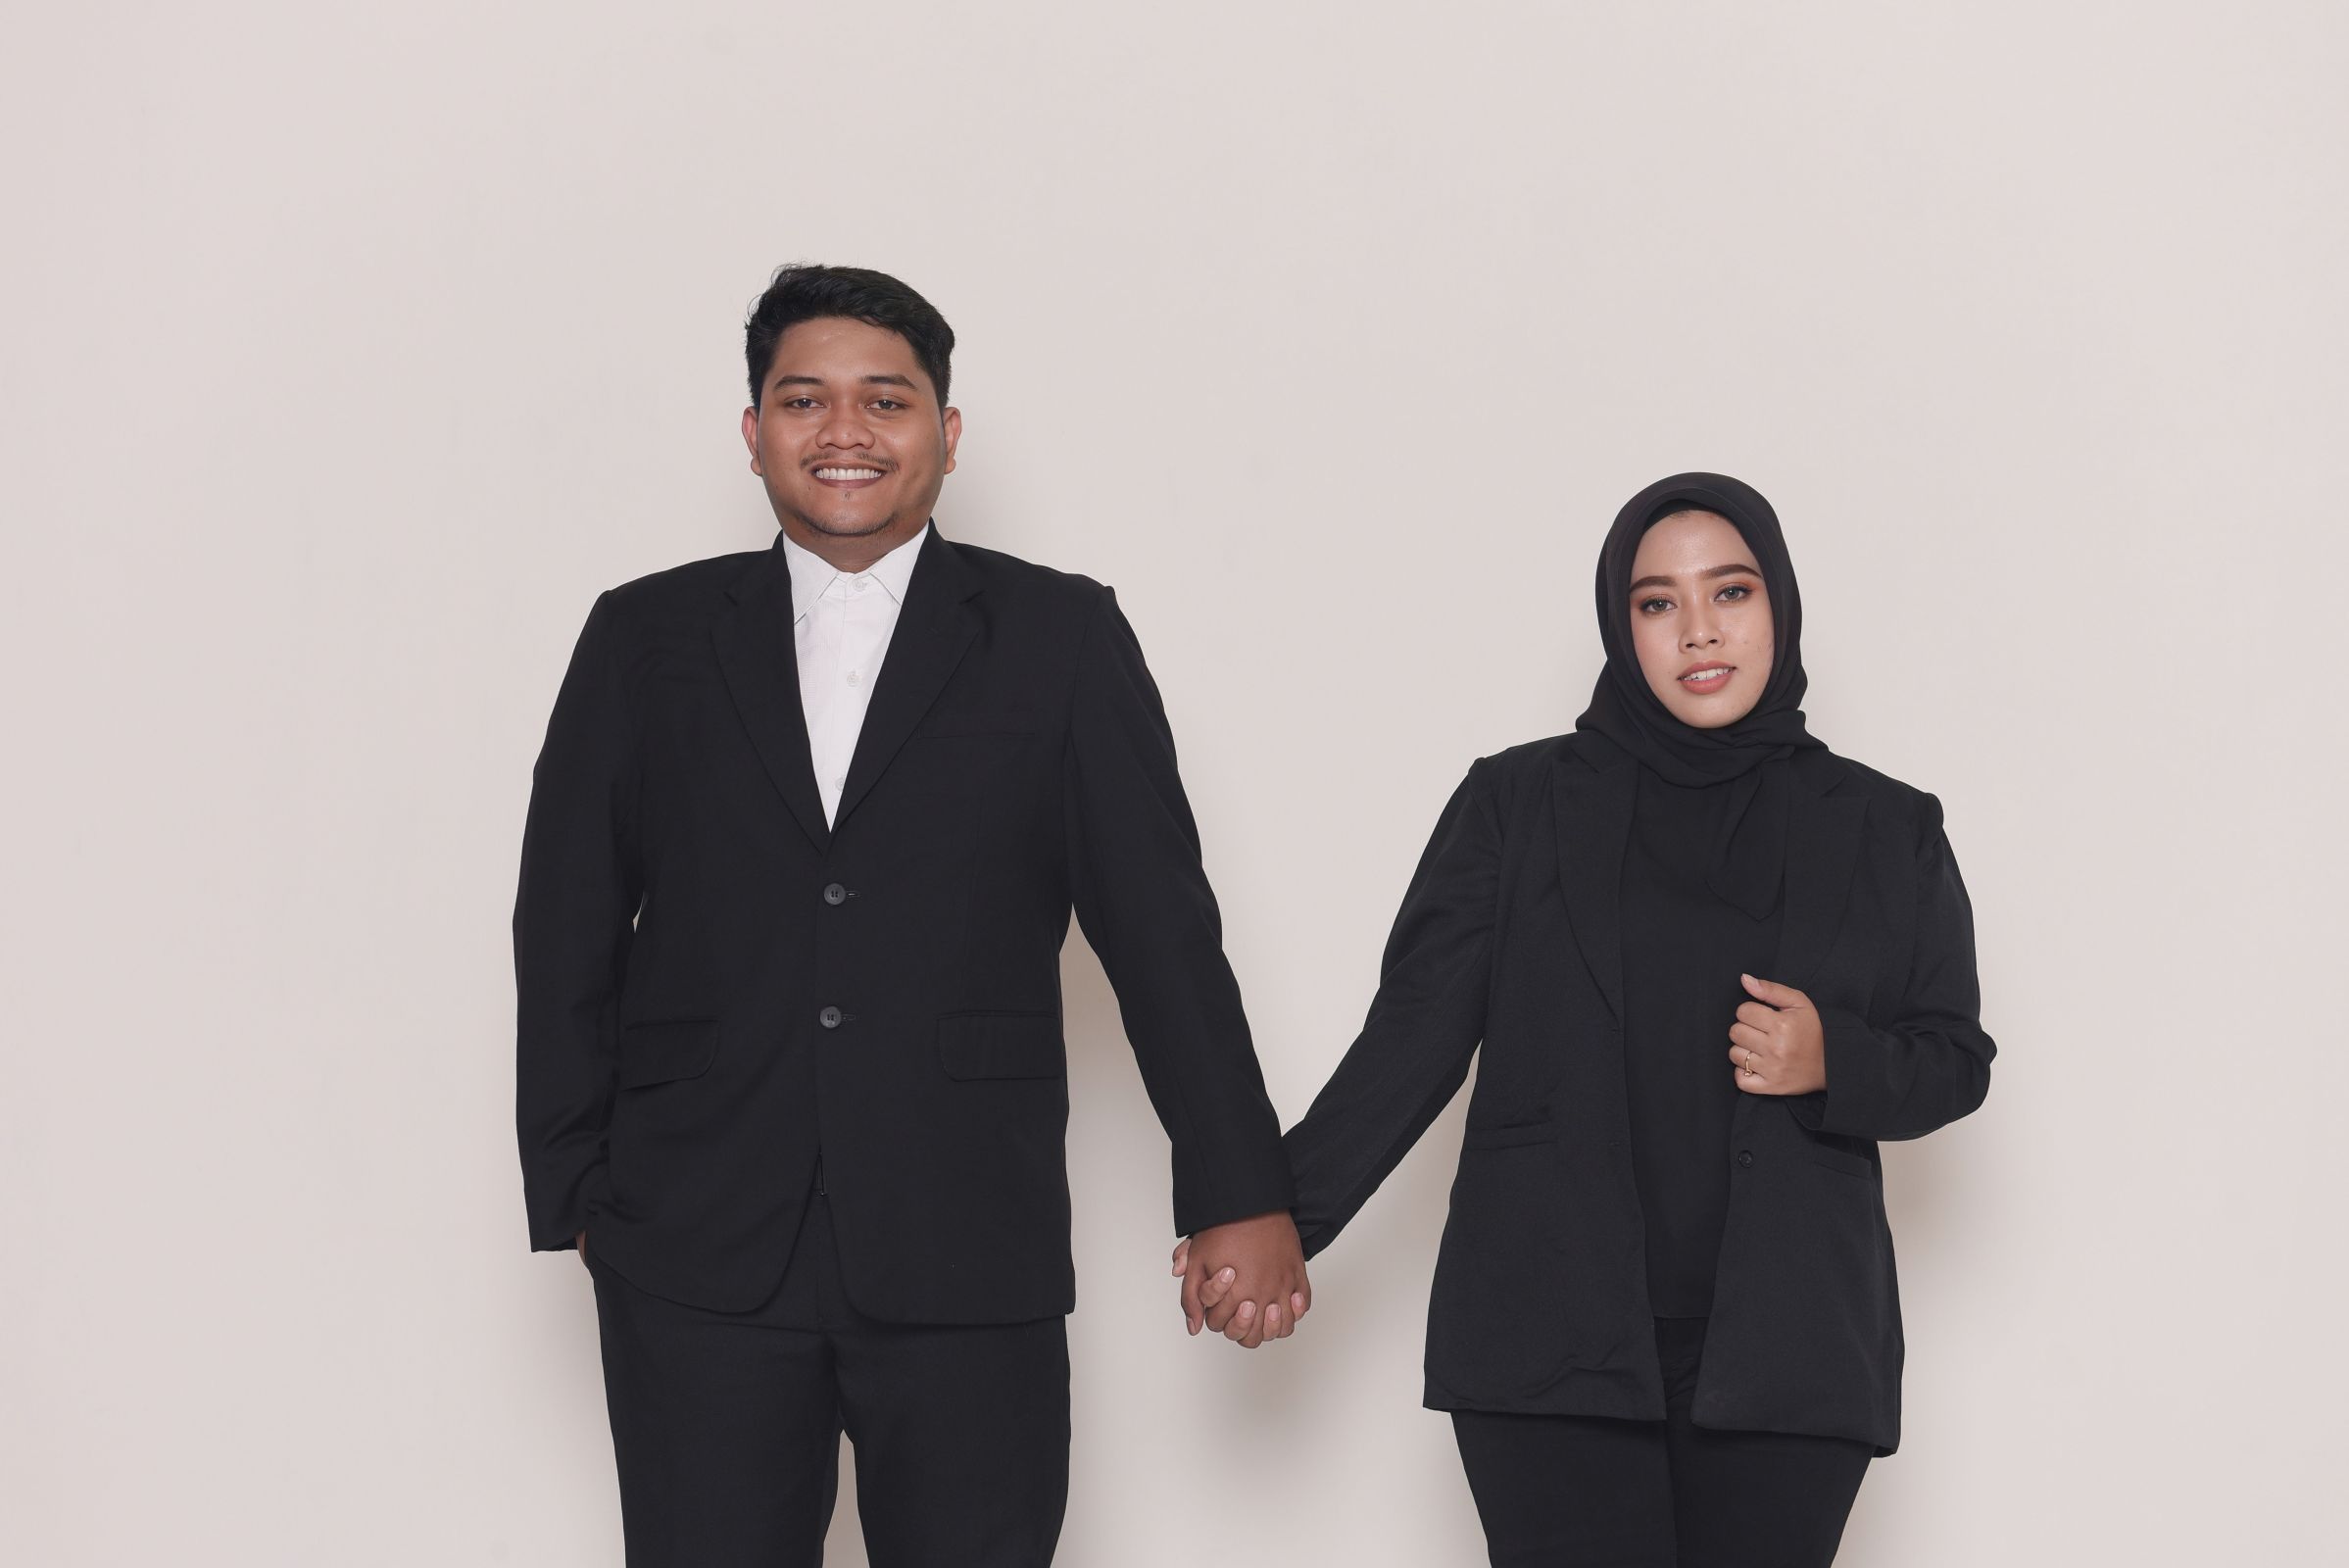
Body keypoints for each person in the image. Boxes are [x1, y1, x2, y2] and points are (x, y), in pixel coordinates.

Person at [514, 264, 1310, 1568]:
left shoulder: (1060, 637)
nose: (845, 430)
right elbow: (565, 927)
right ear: (754, 431)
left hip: (968, 1242)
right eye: (803, 400)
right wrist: (582, 1192)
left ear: (946, 432)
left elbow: (1164, 937)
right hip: (693, 1247)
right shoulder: (641, 638)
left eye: (885, 400)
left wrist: (1240, 1191)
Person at [1180, 472, 1995, 1566]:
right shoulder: (1516, 805)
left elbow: (1954, 1058)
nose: (1698, 629)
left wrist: (1832, 1057)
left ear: (1780, 602)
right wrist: (1270, 1214)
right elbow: (1411, 1037)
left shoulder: (1887, 827)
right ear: (1621, 622)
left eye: (1731, 591)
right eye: (1658, 602)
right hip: (1547, 1342)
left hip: (1789, 1353)